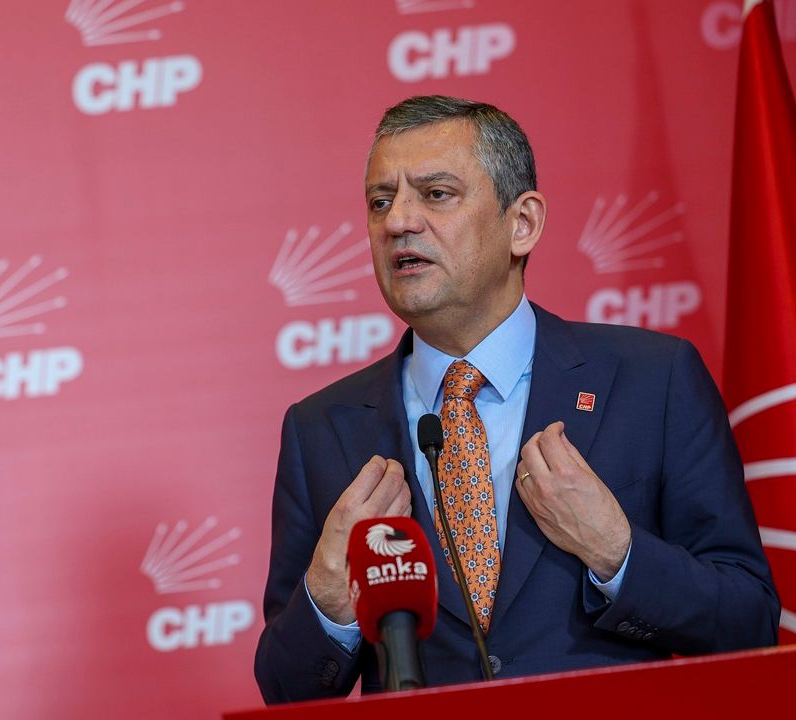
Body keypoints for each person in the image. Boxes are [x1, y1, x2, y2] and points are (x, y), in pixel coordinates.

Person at [253, 95, 779, 703]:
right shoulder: (322, 428)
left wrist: (618, 553)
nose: (398, 222)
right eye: (380, 202)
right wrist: (327, 599)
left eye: (436, 194)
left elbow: (750, 621)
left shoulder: (653, 381)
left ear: (522, 223)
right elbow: (286, 691)